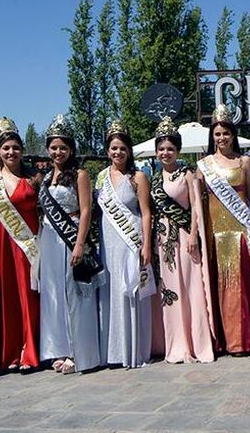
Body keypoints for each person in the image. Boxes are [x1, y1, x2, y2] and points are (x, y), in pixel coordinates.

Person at [196, 105, 250, 354]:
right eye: (217, 134)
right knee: (222, 285)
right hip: (216, 232)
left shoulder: (244, 162)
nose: (222, 138)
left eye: (226, 133)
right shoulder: (203, 165)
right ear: (212, 137)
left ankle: (245, 339)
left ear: (233, 135)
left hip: (240, 229)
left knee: (243, 286)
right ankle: (228, 340)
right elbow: (198, 203)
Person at [37, 114, 104, 375]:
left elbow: (86, 211)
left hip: (71, 237)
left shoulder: (80, 174)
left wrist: (78, 244)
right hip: (49, 239)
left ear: (71, 149)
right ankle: (60, 348)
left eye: (62, 147)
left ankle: (80, 353)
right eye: (53, 147)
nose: (58, 152)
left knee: (76, 294)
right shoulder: (45, 178)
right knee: (54, 296)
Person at [0, 116, 41, 371]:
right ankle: (11, 352)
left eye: (15, 147)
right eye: (6, 148)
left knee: (29, 295)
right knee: (6, 297)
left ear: (22, 151)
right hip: (1, 244)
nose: (11, 152)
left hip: (27, 246)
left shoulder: (35, 178)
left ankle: (30, 352)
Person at [150, 116, 216, 363]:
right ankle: (176, 343)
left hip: (186, 236)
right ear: (156, 152)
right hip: (164, 240)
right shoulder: (155, 178)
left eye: (170, 148)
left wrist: (194, 233)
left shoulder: (187, 173)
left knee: (191, 288)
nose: (165, 153)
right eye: (161, 149)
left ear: (177, 150)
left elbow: (197, 205)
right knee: (171, 290)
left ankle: (196, 342)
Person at [96, 120, 154, 368]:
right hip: (109, 240)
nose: (117, 152)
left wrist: (146, 245)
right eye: (113, 148)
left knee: (130, 289)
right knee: (111, 291)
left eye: (121, 148)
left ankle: (133, 350)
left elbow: (146, 212)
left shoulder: (138, 176)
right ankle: (114, 351)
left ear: (128, 150)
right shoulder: (101, 177)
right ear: (107, 150)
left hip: (131, 238)